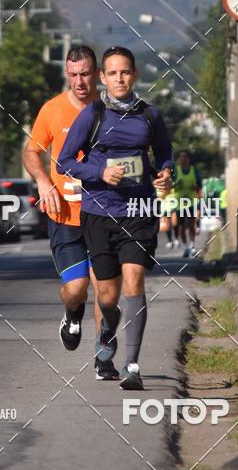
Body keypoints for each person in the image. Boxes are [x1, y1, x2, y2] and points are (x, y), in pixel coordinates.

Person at [57, 46, 173, 391]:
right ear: (103, 78)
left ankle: (133, 365)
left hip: (138, 212)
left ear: (134, 75)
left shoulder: (149, 115)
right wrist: (98, 171)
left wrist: (166, 173)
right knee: (107, 296)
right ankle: (107, 329)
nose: (119, 78)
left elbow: (164, 154)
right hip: (98, 213)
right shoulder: (92, 114)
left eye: (125, 72)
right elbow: (65, 161)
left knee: (134, 282)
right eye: (112, 73)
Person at [23, 46, 120, 381]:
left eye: (86, 74)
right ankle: (72, 312)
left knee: (105, 290)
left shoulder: (112, 110)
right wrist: (43, 182)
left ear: (97, 74)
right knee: (77, 287)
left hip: (105, 214)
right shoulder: (52, 110)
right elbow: (32, 151)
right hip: (65, 215)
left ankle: (104, 355)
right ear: (67, 74)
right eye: (74, 75)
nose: (80, 81)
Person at [170, 150, 203, 259]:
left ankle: (192, 246)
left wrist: (196, 189)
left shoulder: (194, 170)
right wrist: (177, 185)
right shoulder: (176, 170)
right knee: (181, 227)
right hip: (179, 203)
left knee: (191, 224)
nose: (183, 159)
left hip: (191, 202)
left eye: (185, 157)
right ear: (179, 159)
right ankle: (185, 247)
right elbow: (170, 186)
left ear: (188, 159)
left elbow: (199, 185)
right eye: (181, 157)